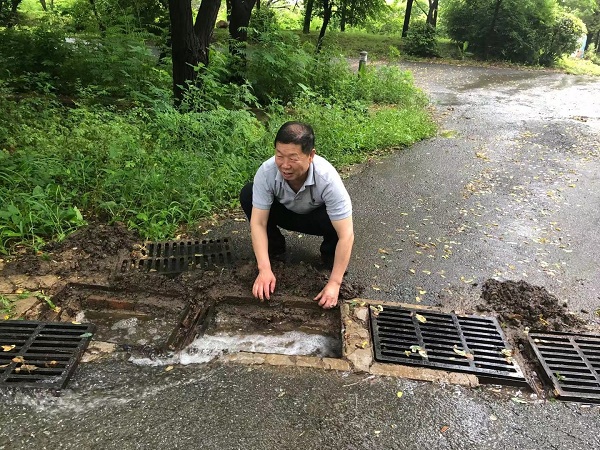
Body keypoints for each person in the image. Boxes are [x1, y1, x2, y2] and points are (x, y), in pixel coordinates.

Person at [240, 121, 354, 309]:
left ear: (311, 155)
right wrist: (264, 269)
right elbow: (258, 223)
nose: (285, 165)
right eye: (279, 156)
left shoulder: (327, 178)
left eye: (293, 158)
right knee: (248, 194)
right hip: (285, 213)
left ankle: (329, 256)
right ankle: (274, 249)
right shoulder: (267, 172)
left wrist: (335, 283)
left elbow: (346, 234)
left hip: (317, 219)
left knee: (339, 223)